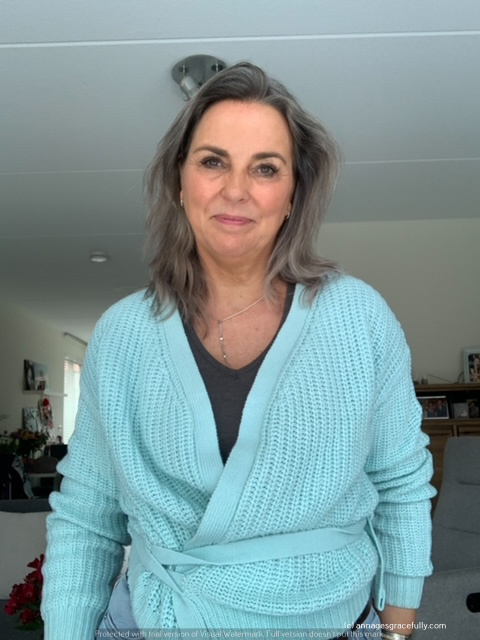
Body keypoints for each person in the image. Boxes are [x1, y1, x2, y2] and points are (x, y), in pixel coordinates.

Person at [42, 63, 435, 640]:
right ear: (180, 181)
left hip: (334, 624)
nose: (235, 190)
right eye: (213, 161)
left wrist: (398, 632)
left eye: (265, 168)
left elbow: (402, 484)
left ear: (294, 193)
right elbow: (87, 517)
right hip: (157, 625)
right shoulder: (123, 334)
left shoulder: (359, 318)